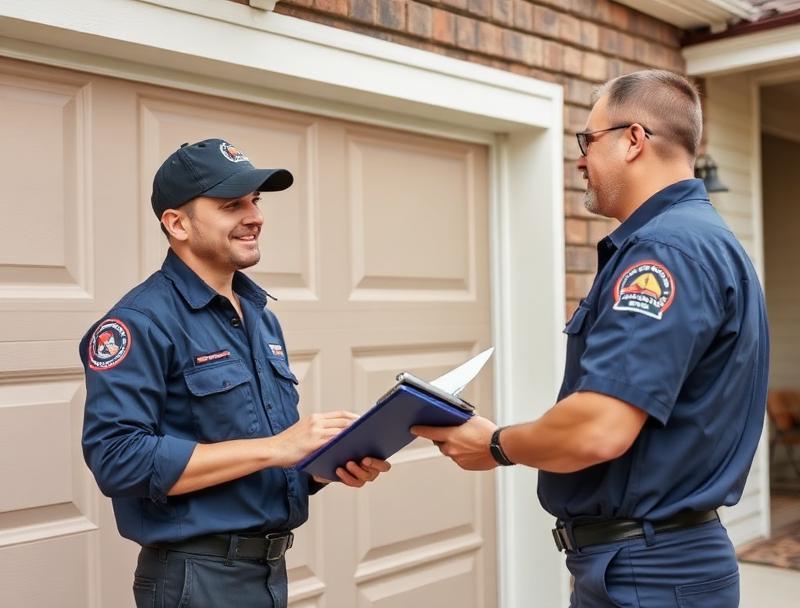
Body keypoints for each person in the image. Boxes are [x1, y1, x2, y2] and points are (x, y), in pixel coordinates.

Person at [412, 70, 768, 607]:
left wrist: (493, 444)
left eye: (588, 140)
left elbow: (599, 430)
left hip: (649, 572)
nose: (580, 159)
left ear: (633, 139)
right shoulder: (702, 240)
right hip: (651, 562)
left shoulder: (664, 253)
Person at [80, 139, 390, 608]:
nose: (255, 216)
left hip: (266, 574)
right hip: (194, 580)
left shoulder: (259, 316)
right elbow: (118, 460)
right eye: (231, 205)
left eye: (255, 200)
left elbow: (263, 458)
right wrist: (278, 446)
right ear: (177, 223)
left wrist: (325, 464)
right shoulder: (138, 323)